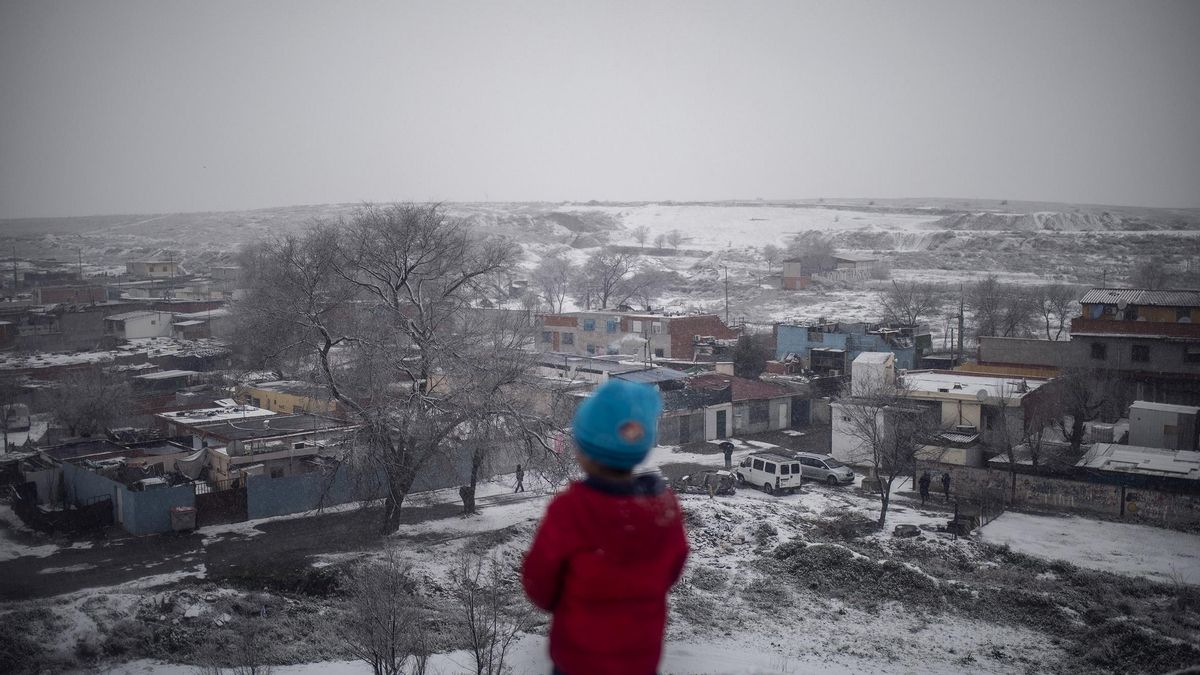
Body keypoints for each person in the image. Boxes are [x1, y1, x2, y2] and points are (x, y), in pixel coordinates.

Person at [522, 380, 689, 675]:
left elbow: (539, 585)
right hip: (639, 664)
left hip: (577, 665)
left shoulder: (570, 511)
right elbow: (672, 569)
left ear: (582, 452)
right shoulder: (664, 508)